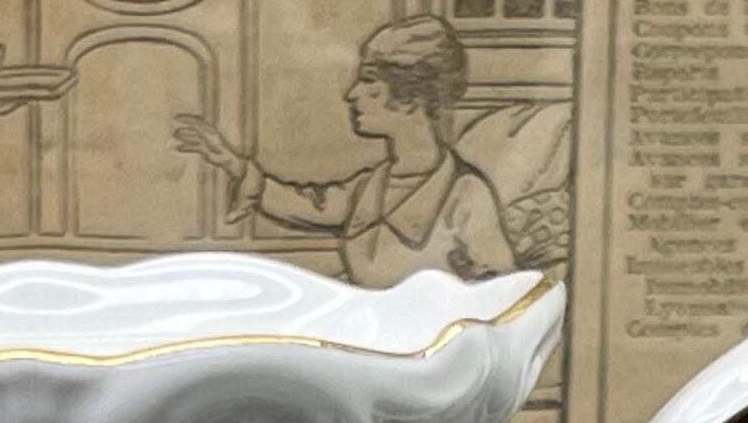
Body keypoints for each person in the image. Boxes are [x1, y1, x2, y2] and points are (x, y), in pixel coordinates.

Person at [172, 17, 516, 286]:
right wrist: (232, 163)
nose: (352, 94)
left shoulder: (466, 194)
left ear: (409, 98)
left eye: (369, 82)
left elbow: (502, 292)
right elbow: (310, 205)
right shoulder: (371, 185)